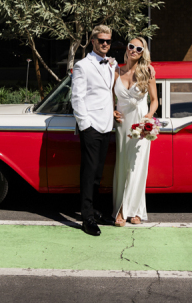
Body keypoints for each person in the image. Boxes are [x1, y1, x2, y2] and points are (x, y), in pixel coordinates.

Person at [71, 24, 117, 237]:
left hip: (107, 124)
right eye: (101, 40)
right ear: (93, 41)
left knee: (98, 172)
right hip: (91, 127)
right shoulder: (83, 65)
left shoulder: (110, 63)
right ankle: (86, 217)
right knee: (89, 173)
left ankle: (94, 210)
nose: (105, 44)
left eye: (108, 40)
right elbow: (77, 97)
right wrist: (85, 125)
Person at [112, 37, 158, 227]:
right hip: (122, 125)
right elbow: (109, 98)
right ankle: (124, 208)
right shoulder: (116, 70)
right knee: (122, 165)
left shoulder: (147, 72)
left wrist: (148, 117)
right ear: (127, 48)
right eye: (131, 46)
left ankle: (131, 211)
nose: (134, 50)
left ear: (142, 52)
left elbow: (155, 100)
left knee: (137, 167)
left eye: (138, 48)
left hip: (140, 126)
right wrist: (112, 110)